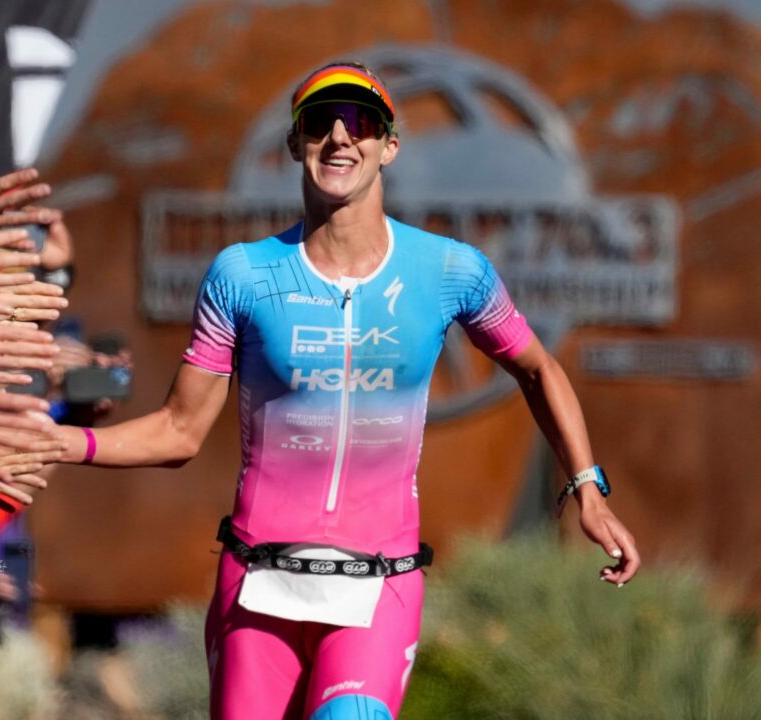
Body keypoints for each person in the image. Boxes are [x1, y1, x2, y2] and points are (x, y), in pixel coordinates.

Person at [50, 62, 642, 720]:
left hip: (376, 588)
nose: (339, 137)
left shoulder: (451, 271)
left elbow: (539, 369)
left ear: (388, 145)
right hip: (257, 589)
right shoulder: (242, 276)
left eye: (359, 123)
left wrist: (587, 487)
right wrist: (58, 440)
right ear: (294, 145)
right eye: (318, 124)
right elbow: (180, 431)